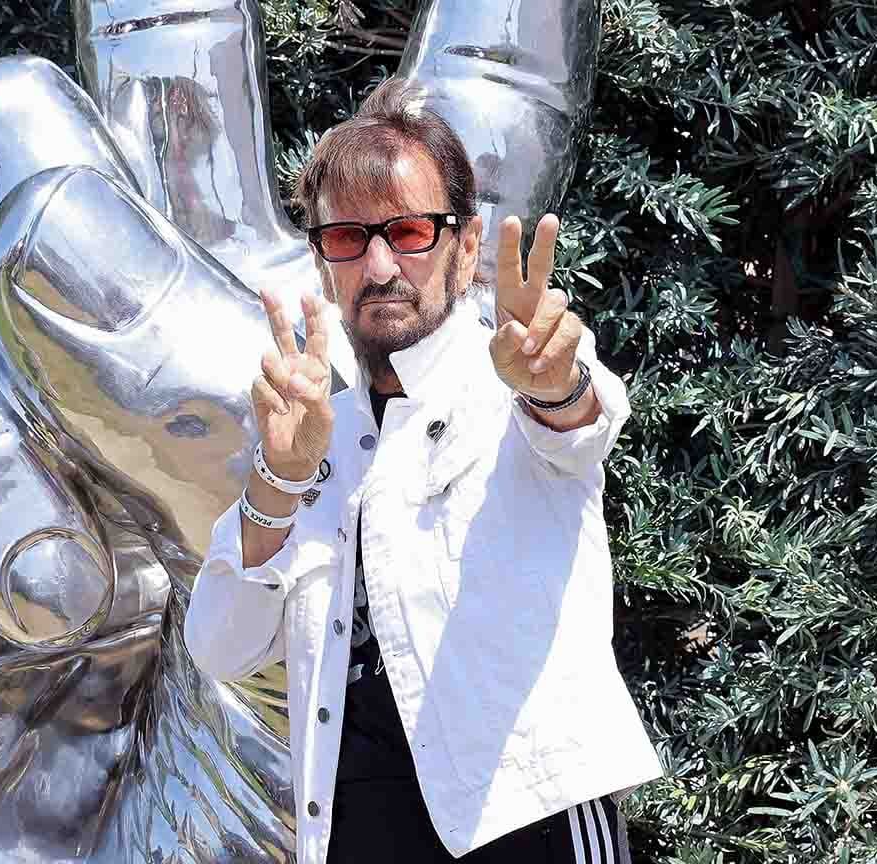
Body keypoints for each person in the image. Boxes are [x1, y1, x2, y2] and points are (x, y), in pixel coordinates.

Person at [183, 77, 663, 864]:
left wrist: (555, 385)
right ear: (323, 265)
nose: (379, 266)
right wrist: (278, 478)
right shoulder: (314, 437)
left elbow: (584, 420)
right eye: (347, 238)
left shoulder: (509, 380)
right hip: (353, 830)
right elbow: (219, 647)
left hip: (525, 820)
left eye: (407, 231)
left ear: (465, 247)